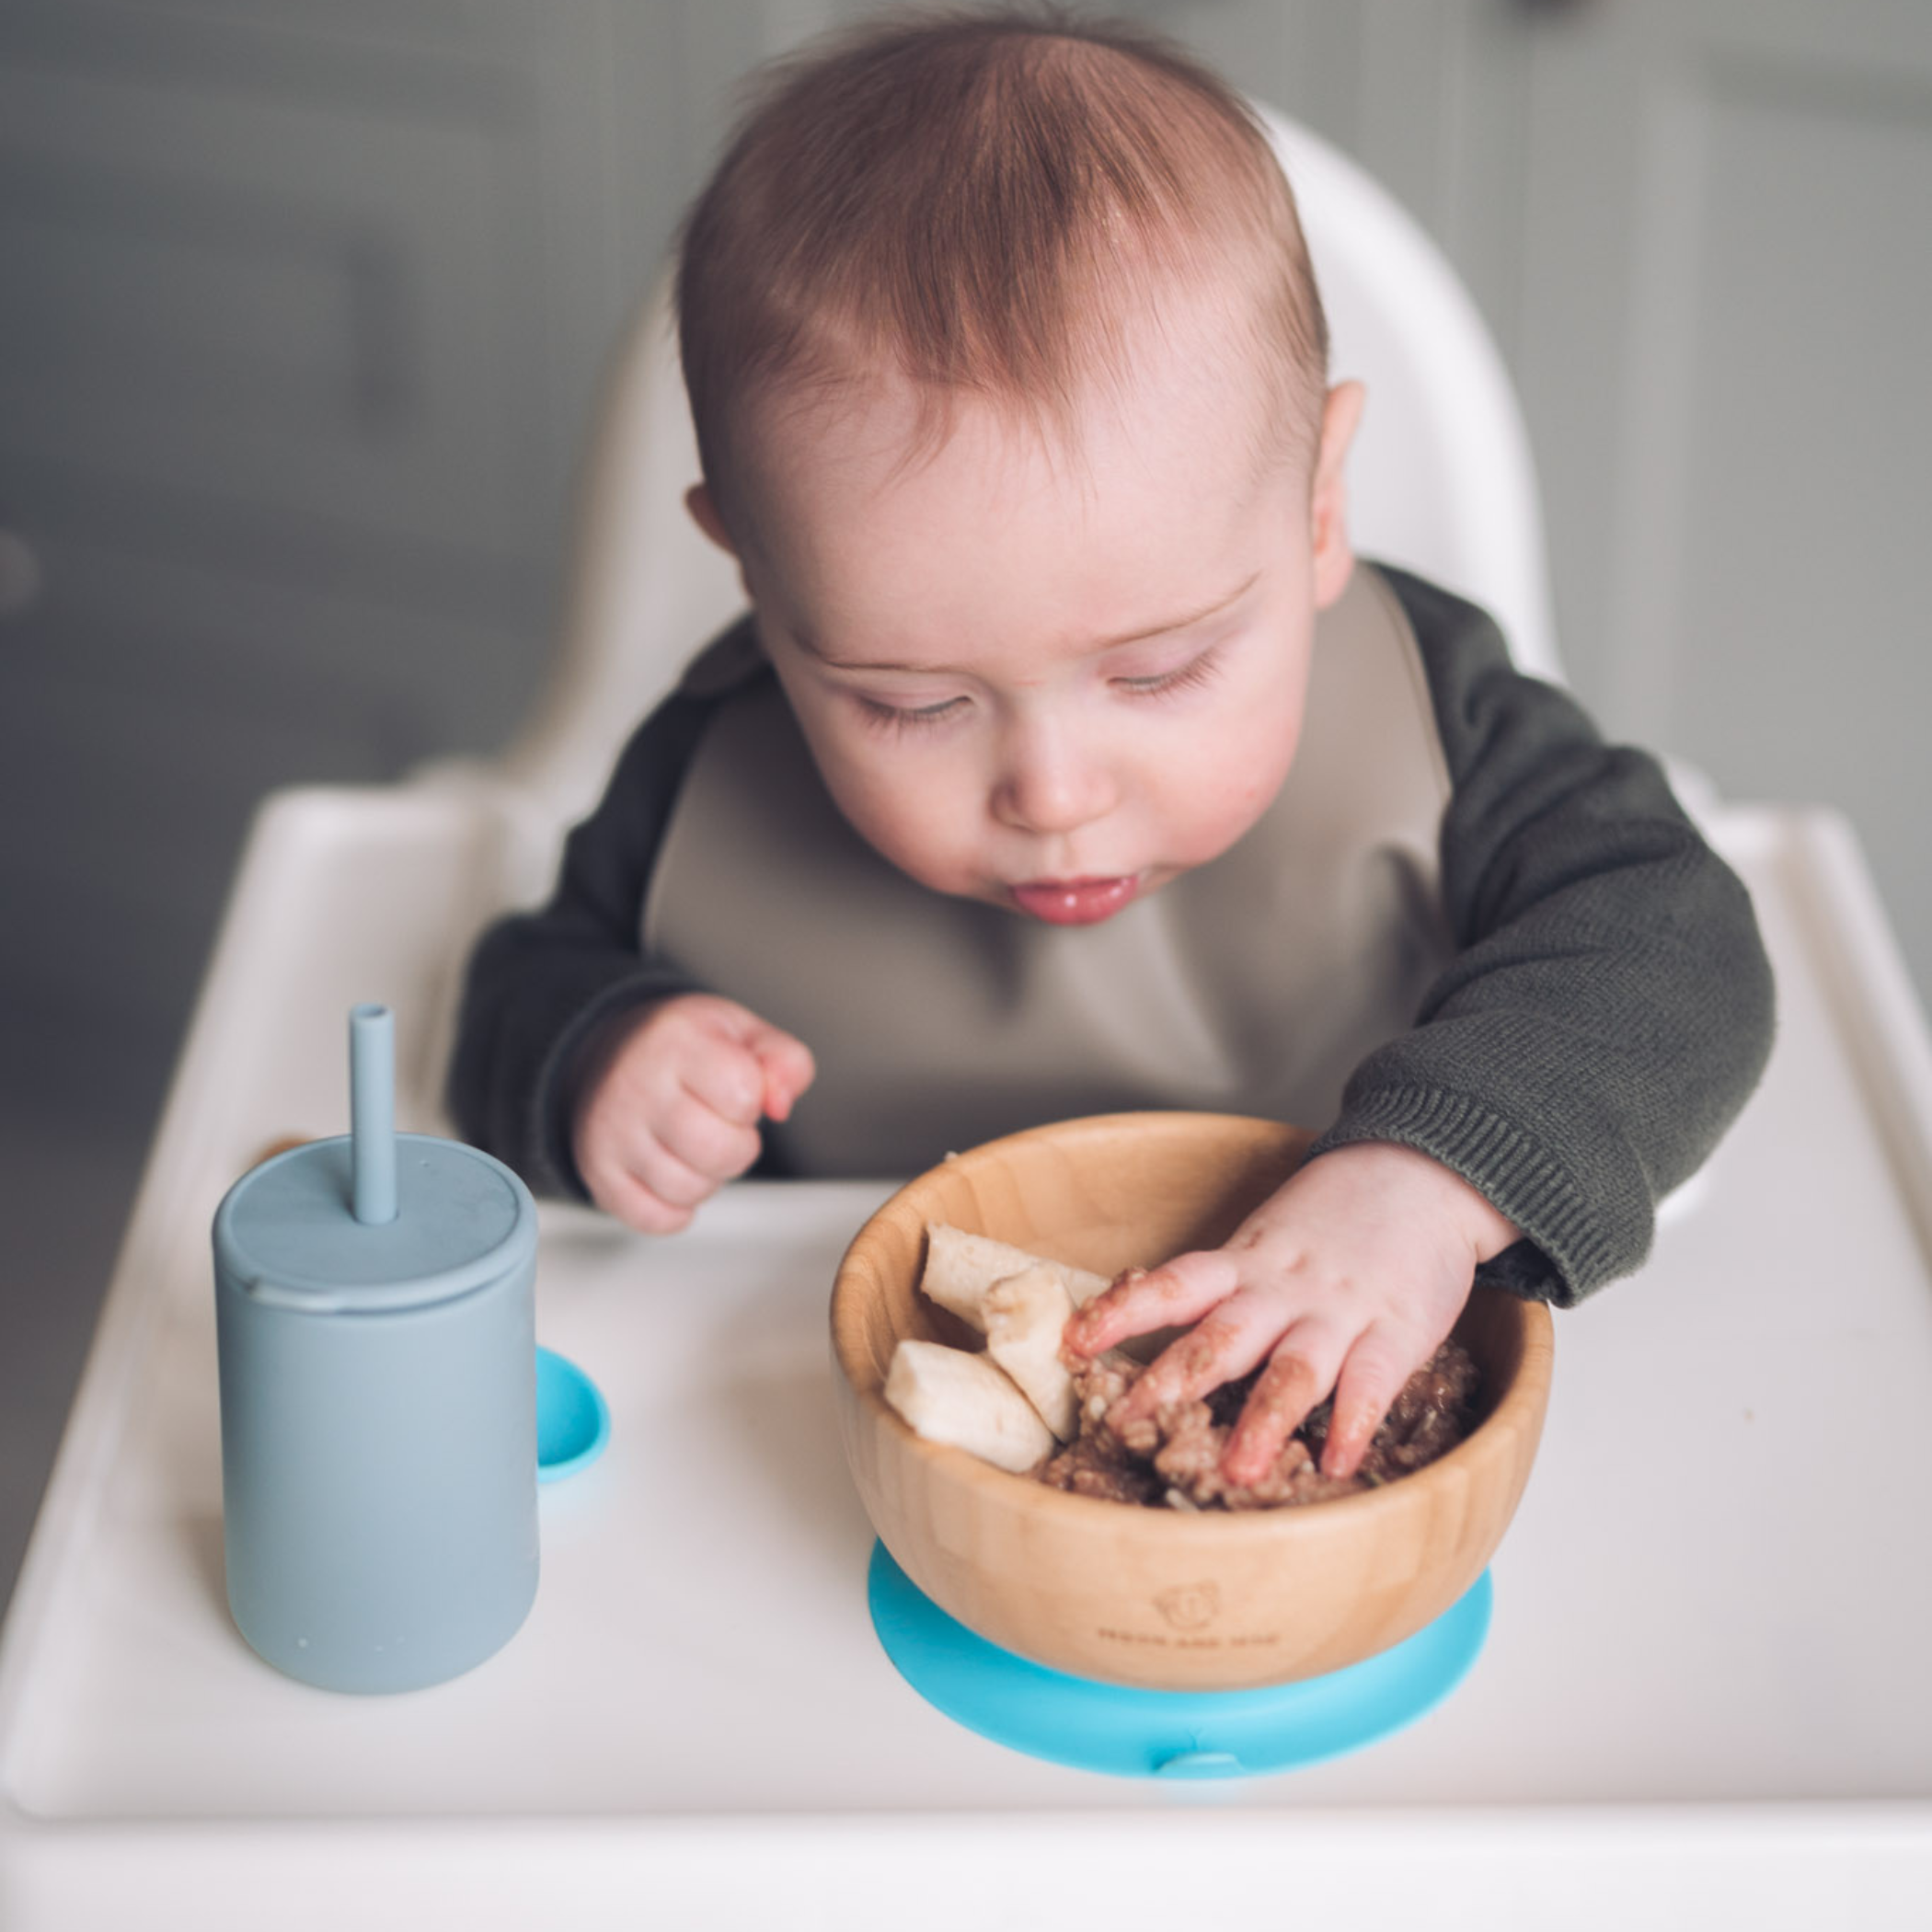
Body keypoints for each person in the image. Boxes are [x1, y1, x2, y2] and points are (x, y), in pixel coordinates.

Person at [448, 8, 1773, 1489]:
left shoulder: (1431, 712)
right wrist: (600, 1057)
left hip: (1336, 1403)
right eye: (912, 702)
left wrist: (1432, 1180)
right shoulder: (705, 772)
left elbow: (1678, 946)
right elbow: (520, 984)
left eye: (1162, 670)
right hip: (834, 1432)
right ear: (755, 575)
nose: (1053, 795)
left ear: (1321, 510)